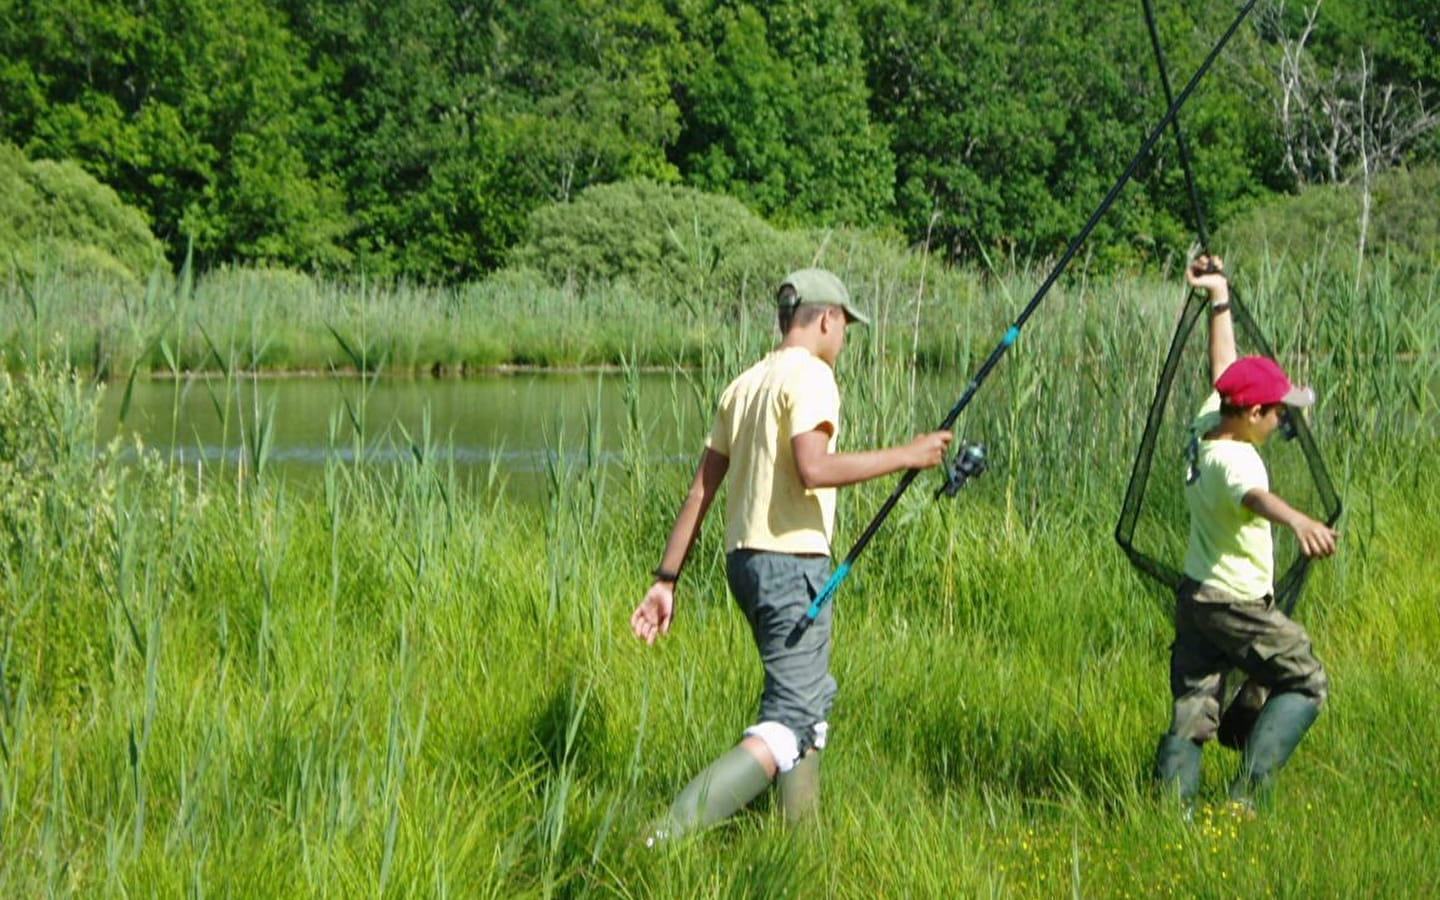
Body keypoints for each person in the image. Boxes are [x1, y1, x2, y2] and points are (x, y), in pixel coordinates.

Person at [630, 268, 953, 842]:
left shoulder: (746, 382)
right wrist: (907, 455)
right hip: (790, 568)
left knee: (806, 708)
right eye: (846, 325)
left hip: (746, 565)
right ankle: (660, 838)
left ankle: (800, 851)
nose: (845, 337)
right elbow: (815, 468)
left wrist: (666, 579)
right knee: (788, 723)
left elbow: (701, 491)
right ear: (828, 318)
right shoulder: (812, 378)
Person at [1153, 254, 1340, 811]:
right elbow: (1252, 497)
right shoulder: (1238, 461)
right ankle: (1246, 802)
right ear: (1254, 413)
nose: (1283, 421)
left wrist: (1219, 298)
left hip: (1196, 595)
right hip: (1235, 602)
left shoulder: (1211, 421)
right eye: (1279, 413)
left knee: (1192, 709)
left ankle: (1172, 819)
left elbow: (1224, 367)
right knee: (1306, 680)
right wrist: (1299, 520)